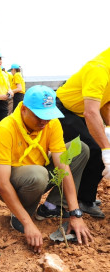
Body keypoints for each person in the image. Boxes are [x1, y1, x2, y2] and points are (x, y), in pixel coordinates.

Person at [0, 85, 92, 253]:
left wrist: (75, 213)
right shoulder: (6, 128)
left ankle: (52, 207)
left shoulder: (51, 124)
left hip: (39, 175)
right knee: (38, 174)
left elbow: (63, 165)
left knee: (79, 149)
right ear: (24, 109)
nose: (44, 121)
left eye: (48, 116)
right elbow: (1, 183)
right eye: (39, 116)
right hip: (13, 183)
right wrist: (28, 224)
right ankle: (22, 214)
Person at [55, 48, 110, 218]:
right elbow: (91, 113)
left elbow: (105, 105)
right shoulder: (99, 69)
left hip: (79, 113)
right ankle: (81, 201)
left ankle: (86, 196)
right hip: (63, 109)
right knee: (95, 149)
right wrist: (106, 150)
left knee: (100, 147)